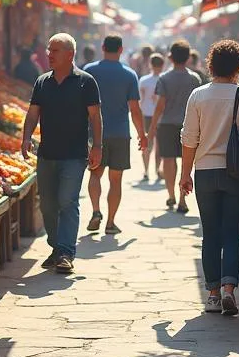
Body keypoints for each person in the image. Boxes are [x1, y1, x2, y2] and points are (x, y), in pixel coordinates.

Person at [180, 39, 239, 316]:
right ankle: (229, 289)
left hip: (206, 174)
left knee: (211, 235)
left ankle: (212, 295)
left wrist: (185, 174)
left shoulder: (198, 95)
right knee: (233, 233)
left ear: (211, 65)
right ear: (238, 67)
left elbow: (188, 139)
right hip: (236, 174)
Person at [21, 34, 102, 275]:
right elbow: (33, 112)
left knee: (67, 201)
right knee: (47, 205)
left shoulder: (86, 82)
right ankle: (56, 247)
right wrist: (26, 137)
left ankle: (66, 252)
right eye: (48, 49)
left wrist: (97, 146)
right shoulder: (42, 82)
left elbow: (95, 117)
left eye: (54, 50)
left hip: (74, 156)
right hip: (46, 154)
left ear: (70, 55)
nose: (49, 54)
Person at [84, 36, 146, 234]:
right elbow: (135, 109)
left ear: (102, 47)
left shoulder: (89, 71)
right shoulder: (129, 74)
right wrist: (142, 134)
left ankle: (95, 211)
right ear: (121, 49)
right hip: (120, 133)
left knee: (95, 173)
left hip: (95, 134)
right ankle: (110, 222)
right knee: (115, 180)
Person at [148, 40, 203, 213]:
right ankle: (182, 199)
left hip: (167, 124)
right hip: (189, 125)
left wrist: (151, 128)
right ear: (188, 57)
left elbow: (160, 105)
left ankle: (171, 195)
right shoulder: (195, 79)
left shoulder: (164, 78)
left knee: (168, 160)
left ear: (170, 57)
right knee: (186, 164)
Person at [138, 52, 164, 182]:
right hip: (161, 116)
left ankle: (146, 171)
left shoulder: (144, 80)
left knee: (147, 144)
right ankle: (158, 169)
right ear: (162, 65)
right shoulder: (165, 79)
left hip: (146, 114)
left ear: (150, 64)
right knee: (159, 145)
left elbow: (140, 100)